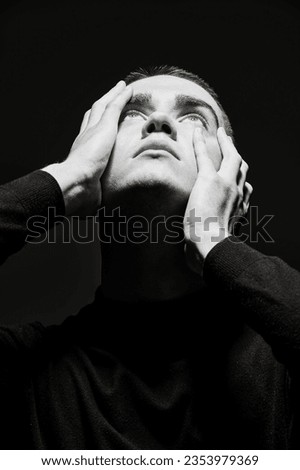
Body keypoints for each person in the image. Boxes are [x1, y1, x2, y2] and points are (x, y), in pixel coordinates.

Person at [0, 65, 299, 450]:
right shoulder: (27, 373)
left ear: (231, 172)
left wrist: (214, 241)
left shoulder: (281, 371)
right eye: (131, 116)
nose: (158, 121)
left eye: (194, 118)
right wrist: (64, 180)